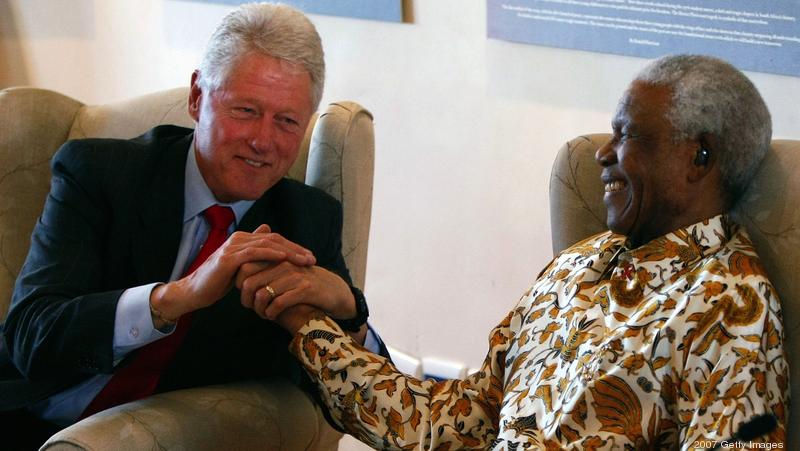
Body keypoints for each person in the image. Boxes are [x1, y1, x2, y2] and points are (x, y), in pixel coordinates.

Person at [267, 55, 789, 449]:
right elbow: (447, 424)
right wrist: (308, 322)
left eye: (627, 135)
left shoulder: (731, 305)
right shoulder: (578, 265)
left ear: (698, 157)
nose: (603, 155)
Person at [0, 3, 384, 448]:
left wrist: (349, 310)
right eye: (245, 110)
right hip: (21, 417)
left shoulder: (306, 220)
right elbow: (30, 335)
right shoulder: (100, 175)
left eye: (286, 121)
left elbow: (367, 404)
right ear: (197, 97)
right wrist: (175, 298)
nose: (263, 141)